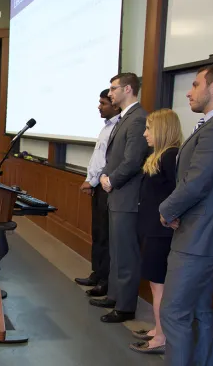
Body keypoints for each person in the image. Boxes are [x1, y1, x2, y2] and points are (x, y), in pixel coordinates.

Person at [159, 64, 213, 366]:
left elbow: (197, 181)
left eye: (195, 84)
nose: (188, 91)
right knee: (198, 312)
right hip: (202, 233)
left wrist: (166, 209)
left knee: (174, 313)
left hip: (200, 236)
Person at [90, 72, 149, 323]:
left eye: (113, 88)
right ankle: (114, 295)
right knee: (115, 251)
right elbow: (111, 157)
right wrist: (104, 175)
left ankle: (125, 306)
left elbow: (133, 160)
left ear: (127, 89)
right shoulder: (123, 119)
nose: (110, 93)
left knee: (125, 254)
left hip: (127, 196)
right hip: (115, 194)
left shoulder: (137, 119)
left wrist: (111, 180)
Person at [128, 109, 182, 355]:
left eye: (149, 128)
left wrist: (172, 216)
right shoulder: (159, 156)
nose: (145, 133)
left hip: (161, 232)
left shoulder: (170, 157)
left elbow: (179, 192)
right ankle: (157, 328)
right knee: (154, 284)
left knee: (159, 285)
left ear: (161, 130)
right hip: (152, 229)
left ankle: (161, 336)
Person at [75, 89, 121, 297]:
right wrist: (89, 179)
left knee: (106, 234)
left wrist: (95, 181)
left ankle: (105, 280)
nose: (99, 106)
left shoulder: (119, 128)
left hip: (108, 186)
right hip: (97, 185)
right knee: (98, 233)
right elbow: (97, 159)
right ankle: (97, 272)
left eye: (103, 102)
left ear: (115, 105)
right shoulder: (105, 128)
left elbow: (109, 162)